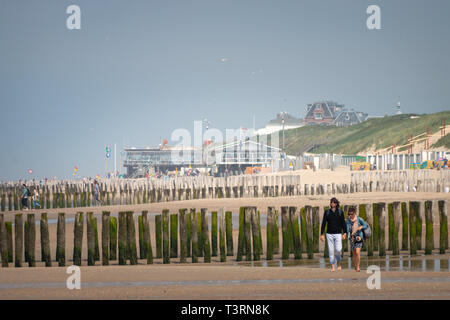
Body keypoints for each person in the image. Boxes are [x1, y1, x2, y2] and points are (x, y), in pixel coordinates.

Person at [320, 197, 347, 271]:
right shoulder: (327, 212)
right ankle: (332, 266)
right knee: (331, 251)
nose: (332, 203)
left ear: (336, 204)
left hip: (338, 234)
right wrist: (321, 234)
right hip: (329, 234)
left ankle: (338, 263)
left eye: (334, 202)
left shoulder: (340, 212)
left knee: (338, 249)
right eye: (331, 202)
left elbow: (343, 223)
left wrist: (345, 233)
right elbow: (323, 223)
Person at [345, 207, 368, 272]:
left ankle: (358, 267)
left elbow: (366, 225)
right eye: (349, 214)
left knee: (358, 252)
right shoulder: (348, 221)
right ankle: (355, 266)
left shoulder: (359, 219)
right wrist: (346, 235)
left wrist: (361, 227)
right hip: (352, 238)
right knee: (354, 253)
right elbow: (347, 230)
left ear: (354, 213)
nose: (350, 216)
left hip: (359, 237)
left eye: (352, 214)